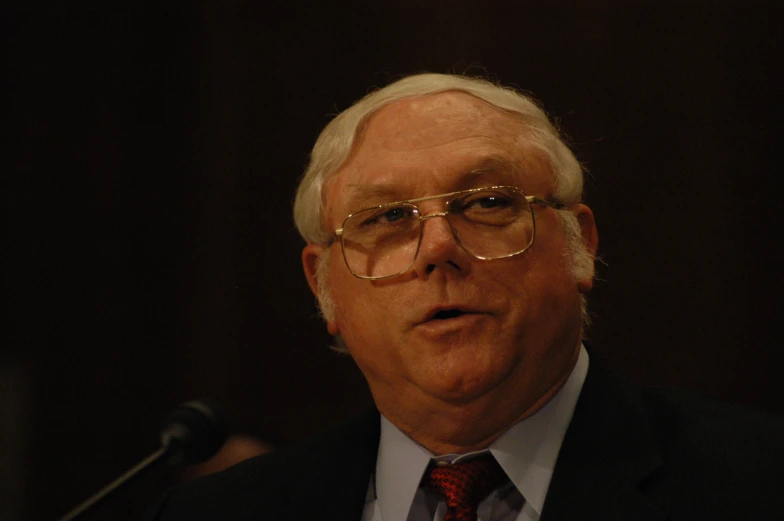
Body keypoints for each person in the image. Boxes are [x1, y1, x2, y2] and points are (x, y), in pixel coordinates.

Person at [145, 73, 784, 521]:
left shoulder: (757, 484)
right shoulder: (219, 512)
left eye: (487, 203)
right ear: (324, 286)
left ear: (578, 245)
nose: (437, 248)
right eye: (386, 218)